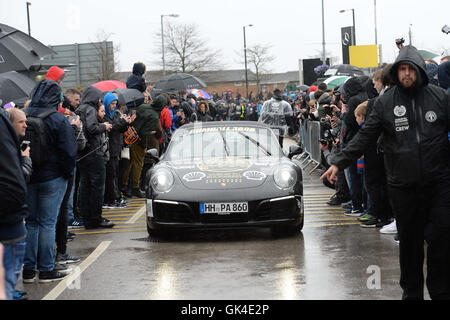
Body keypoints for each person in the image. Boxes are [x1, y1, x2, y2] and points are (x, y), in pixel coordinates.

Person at [321, 45, 450, 300]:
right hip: (403, 187)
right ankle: (411, 294)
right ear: (396, 73)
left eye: (410, 69)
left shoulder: (440, 97)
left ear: (419, 71)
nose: (406, 74)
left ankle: (441, 292)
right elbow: (364, 136)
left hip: (439, 186)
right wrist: (338, 161)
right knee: (410, 246)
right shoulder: (384, 103)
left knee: (441, 241)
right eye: (401, 69)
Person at [22, 75, 77, 283]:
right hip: (53, 177)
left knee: (31, 223)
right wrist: (66, 172)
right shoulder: (57, 118)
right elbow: (69, 152)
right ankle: (46, 269)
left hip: (29, 175)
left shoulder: (23, 115)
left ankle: (28, 270)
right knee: (47, 223)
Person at [75, 86, 114, 229]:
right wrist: (103, 126)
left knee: (85, 186)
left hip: (82, 153)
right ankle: (96, 218)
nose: (99, 101)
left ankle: (87, 218)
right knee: (97, 187)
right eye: (98, 98)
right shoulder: (90, 109)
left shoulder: (79, 109)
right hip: (93, 152)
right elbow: (92, 128)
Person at [0, 107, 28, 299]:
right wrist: (25, 161)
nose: (25, 125)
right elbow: (14, 179)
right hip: (8, 220)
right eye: (21, 122)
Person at [122, 95, 167, 198]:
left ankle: (123, 186)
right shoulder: (154, 116)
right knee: (138, 165)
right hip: (138, 141)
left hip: (128, 135)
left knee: (128, 164)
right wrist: (144, 146)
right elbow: (144, 132)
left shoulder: (143, 106)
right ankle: (135, 188)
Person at [103, 92, 133, 208]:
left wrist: (126, 123)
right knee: (111, 175)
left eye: (115, 104)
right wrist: (121, 122)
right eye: (112, 104)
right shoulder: (105, 115)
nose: (113, 106)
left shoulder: (114, 114)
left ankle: (115, 196)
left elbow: (119, 129)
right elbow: (112, 128)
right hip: (109, 149)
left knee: (115, 173)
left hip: (116, 147)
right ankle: (111, 198)